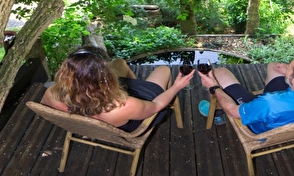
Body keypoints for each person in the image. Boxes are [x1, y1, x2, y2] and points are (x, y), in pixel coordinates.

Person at [41, 46, 194, 132]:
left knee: (119, 62)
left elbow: (49, 112)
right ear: (105, 75)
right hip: (132, 114)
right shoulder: (125, 105)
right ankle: (140, 87)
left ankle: (136, 85)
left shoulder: (51, 94)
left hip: (93, 119)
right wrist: (176, 86)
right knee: (163, 69)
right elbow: (157, 106)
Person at [198, 53, 294, 133]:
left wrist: (214, 88)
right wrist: (289, 73)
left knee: (218, 73)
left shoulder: (269, 103)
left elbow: (233, 111)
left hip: (261, 122)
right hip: (292, 113)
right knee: (274, 66)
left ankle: (216, 113)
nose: (287, 66)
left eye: (290, 67)